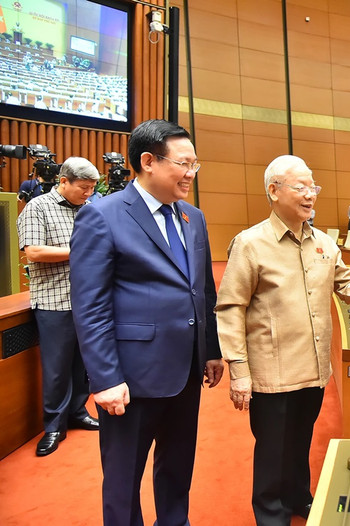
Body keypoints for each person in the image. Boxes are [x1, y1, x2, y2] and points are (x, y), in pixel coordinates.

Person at [215, 155, 350, 526]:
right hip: (271, 371)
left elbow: (346, 286)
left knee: (299, 442)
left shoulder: (324, 243)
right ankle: (270, 513)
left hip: (313, 370)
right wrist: (239, 371)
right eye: (301, 186)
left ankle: (298, 497)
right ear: (273, 191)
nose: (310, 194)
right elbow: (230, 308)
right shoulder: (250, 244)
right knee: (273, 449)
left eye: (313, 186)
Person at [69, 120, 225, 525]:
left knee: (177, 472)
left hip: (186, 372)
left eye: (196, 164)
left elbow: (203, 290)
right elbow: (90, 306)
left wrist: (210, 351)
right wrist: (104, 379)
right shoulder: (101, 216)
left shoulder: (193, 217)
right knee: (123, 481)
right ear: (148, 162)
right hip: (130, 378)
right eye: (183, 163)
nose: (191, 173)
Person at [16, 157, 101, 457]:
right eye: (83, 187)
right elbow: (35, 252)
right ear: (62, 181)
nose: (88, 193)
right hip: (54, 301)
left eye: (92, 188)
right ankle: (53, 426)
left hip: (89, 300)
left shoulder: (90, 209)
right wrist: (82, 249)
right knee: (56, 369)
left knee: (83, 365)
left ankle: (78, 411)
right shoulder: (37, 208)